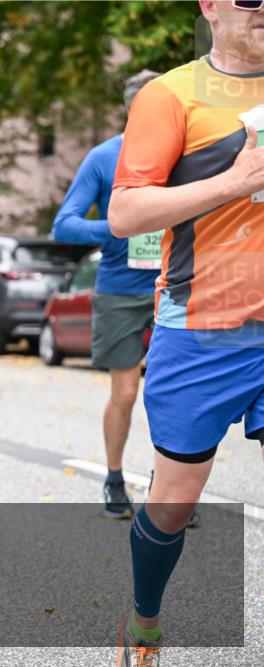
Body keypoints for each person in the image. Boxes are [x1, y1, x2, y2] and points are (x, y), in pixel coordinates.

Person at [107, 1, 264, 664]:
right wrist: (235, 181)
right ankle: (143, 619)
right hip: (203, 327)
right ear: (211, 5)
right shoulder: (172, 95)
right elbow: (124, 212)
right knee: (172, 504)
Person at [52, 71, 160, 520]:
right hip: (120, 292)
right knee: (127, 391)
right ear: (135, 110)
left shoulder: (185, 154)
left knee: (171, 394)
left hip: (174, 286)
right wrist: (116, 228)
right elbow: (65, 225)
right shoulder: (105, 157)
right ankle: (114, 478)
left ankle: (168, 489)